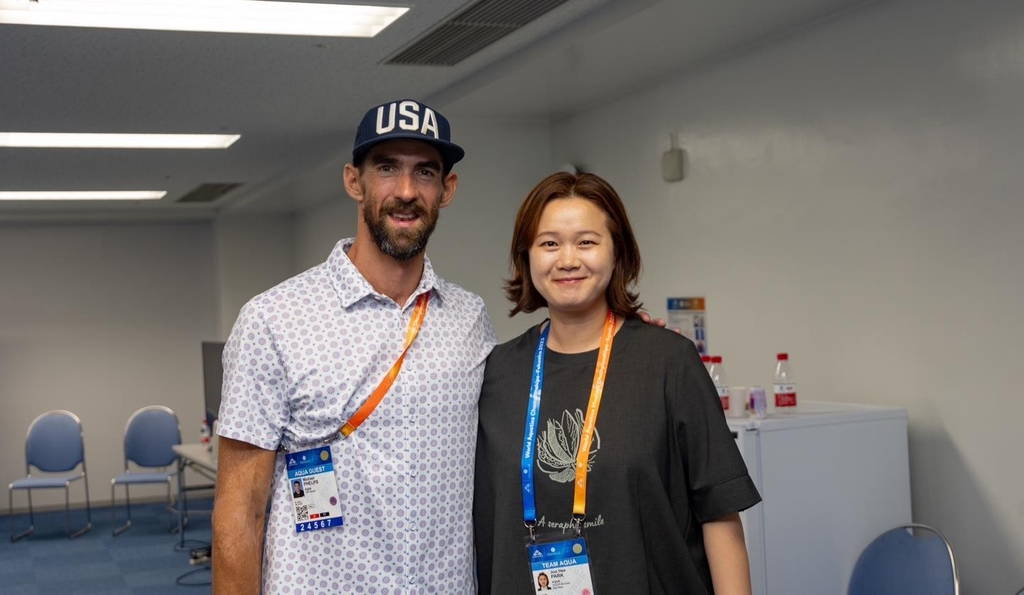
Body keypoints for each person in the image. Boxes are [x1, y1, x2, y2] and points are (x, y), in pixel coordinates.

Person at [212, 99, 496, 594]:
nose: (406, 191)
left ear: (446, 189)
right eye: (386, 168)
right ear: (353, 181)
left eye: (424, 172)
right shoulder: (273, 320)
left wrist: (621, 338)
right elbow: (239, 513)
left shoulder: (469, 320)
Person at [474, 172, 762, 594]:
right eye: (549, 243)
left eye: (587, 242)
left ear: (617, 252)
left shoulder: (668, 362)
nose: (568, 259)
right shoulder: (495, 373)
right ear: (527, 257)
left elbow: (719, 514)